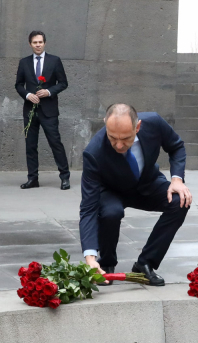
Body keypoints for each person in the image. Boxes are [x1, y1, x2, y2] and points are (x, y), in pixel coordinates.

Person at [79, 104, 192, 286]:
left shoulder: (154, 122)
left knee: (180, 201)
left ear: (138, 127)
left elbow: (176, 146)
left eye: (126, 138)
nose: (119, 145)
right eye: (112, 138)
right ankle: (106, 263)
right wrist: (90, 258)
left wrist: (177, 180)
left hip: (146, 183)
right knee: (110, 213)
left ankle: (145, 262)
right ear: (105, 124)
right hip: (111, 191)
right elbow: (88, 209)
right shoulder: (93, 153)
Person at [15, 30, 71, 190]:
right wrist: (27, 95)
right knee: (30, 145)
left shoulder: (54, 61)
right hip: (30, 111)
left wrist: (49, 91)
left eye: (40, 42)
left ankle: (65, 177)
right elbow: (18, 84)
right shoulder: (24, 62)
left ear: (44, 43)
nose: (38, 45)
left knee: (55, 143)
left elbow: (63, 82)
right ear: (30, 44)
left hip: (49, 110)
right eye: (34, 42)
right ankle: (33, 178)